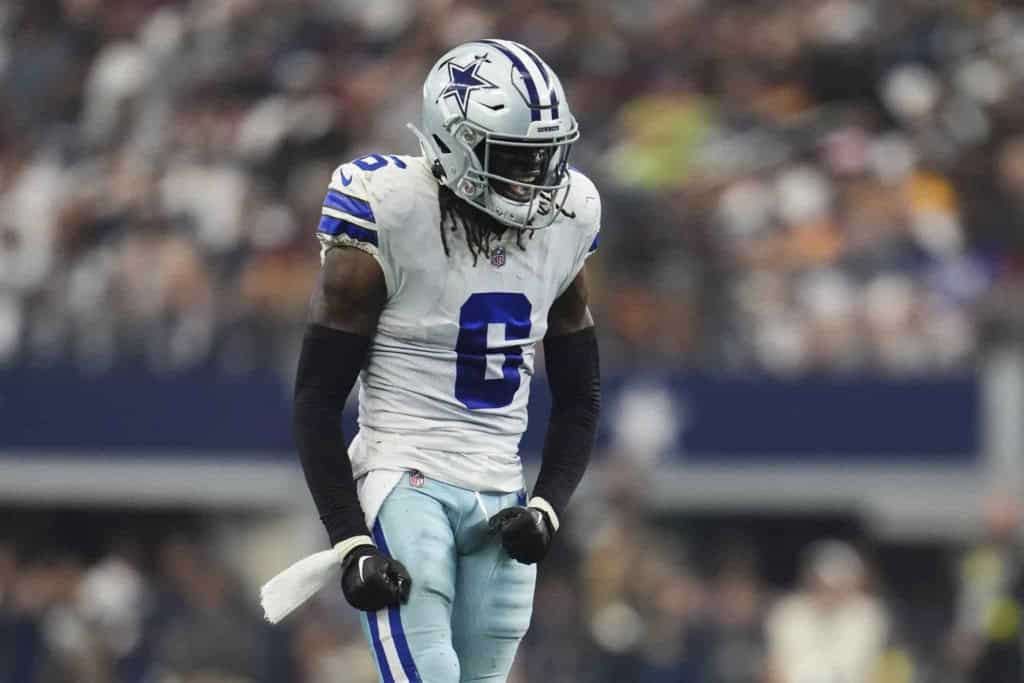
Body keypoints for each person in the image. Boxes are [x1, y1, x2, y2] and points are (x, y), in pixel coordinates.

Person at [290, 39, 601, 682]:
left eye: (546, 160)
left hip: (499, 487)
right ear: (452, 143)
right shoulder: (389, 206)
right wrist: (350, 540)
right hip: (405, 475)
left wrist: (547, 504)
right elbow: (318, 399)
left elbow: (581, 395)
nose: (537, 183)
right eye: (516, 160)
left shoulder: (570, 215)